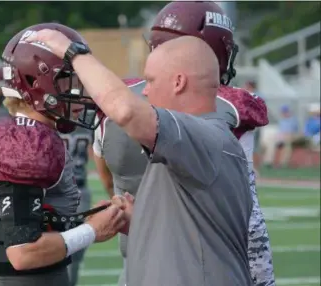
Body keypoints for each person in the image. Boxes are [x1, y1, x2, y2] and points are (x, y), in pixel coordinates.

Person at [27, 27, 253, 286]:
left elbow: (125, 111)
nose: (144, 92)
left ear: (178, 82)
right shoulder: (194, 145)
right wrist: (140, 220)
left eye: (151, 81)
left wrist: (73, 52)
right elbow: (198, 236)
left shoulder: (204, 135)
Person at [94, 2, 274, 286]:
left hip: (136, 265)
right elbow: (248, 222)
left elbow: (105, 173)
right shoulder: (230, 109)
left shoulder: (114, 104)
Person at [0, 23, 125, 286]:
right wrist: (92, 231)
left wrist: (86, 217)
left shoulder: (25, 132)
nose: (79, 89)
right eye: (70, 80)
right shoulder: (26, 140)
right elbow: (23, 252)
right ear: (37, 82)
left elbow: (38, 219)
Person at [60, 125, 95, 286]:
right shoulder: (87, 125)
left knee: (70, 251)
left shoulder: (49, 121)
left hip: (60, 192)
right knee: (72, 253)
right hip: (75, 190)